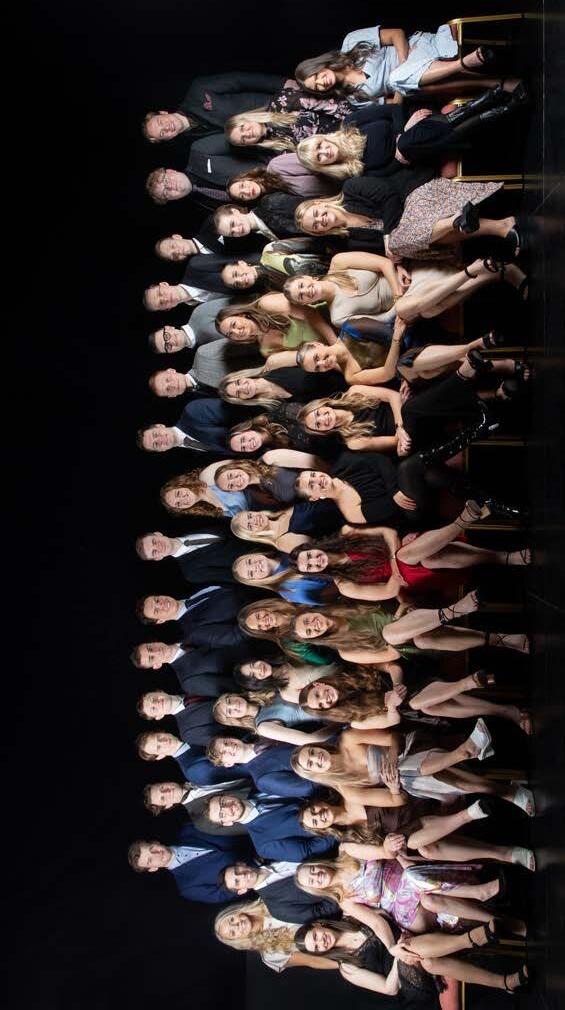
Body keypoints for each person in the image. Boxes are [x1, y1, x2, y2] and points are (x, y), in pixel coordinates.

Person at [287, 508, 532, 601]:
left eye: (310, 556)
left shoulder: (345, 534)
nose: (314, 561)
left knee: (417, 555)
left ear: (313, 547)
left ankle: (502, 557)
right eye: (310, 566)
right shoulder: (345, 586)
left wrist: (395, 556)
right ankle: (463, 522)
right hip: (407, 577)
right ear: (315, 573)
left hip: (409, 548)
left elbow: (387, 532)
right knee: (415, 558)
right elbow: (388, 592)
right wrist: (396, 563)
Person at [290, 725, 535, 816]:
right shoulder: (349, 791)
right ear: (315, 774)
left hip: (411, 747)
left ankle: (507, 791)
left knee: (405, 767)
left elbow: (394, 737)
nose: (316, 758)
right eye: (311, 764)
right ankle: (466, 752)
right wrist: (392, 786)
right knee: (408, 775)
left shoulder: (348, 739)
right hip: (413, 782)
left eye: (311, 752)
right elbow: (396, 801)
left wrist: (392, 756)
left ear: (315, 746)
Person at [295, 911, 529, 995]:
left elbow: (380, 918)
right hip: (406, 976)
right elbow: (389, 988)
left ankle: (504, 983)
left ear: (318, 926)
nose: (321, 942)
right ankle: (470, 940)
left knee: (428, 960)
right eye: (317, 948)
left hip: (410, 935)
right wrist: (398, 955)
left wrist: (398, 943)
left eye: (315, 937)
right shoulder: (347, 968)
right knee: (421, 958)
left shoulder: (350, 918)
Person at [298, 794, 536, 869]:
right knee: (422, 847)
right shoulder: (348, 844)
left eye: (315, 810)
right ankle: (502, 850)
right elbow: (384, 854)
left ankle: (503, 850)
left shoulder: (348, 795)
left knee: (418, 843)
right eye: (315, 821)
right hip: (407, 836)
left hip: (412, 804)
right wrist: (387, 847)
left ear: (319, 802)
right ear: (321, 830)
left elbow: (393, 795)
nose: (320, 815)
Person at [295, 852, 502, 934]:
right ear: (316, 889)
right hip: (401, 908)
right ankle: (479, 892)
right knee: (412, 876)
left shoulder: (346, 853)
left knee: (424, 891)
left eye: (312, 870)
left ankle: (495, 919)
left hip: (414, 876)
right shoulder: (344, 901)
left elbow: (384, 851)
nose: (316, 875)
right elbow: (376, 923)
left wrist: (404, 861)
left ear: (317, 863)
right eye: (312, 881)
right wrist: (393, 948)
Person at [294, 24, 506, 104]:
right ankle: (467, 66)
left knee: (399, 78)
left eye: (316, 76)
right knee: (401, 81)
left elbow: (397, 34)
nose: (321, 83)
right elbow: (394, 104)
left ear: (319, 66)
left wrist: (403, 63)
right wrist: (400, 79)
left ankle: (488, 80)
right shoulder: (353, 97)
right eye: (317, 87)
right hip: (414, 83)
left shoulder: (351, 41)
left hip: (417, 48)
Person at [288, 594, 530, 663]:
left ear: (310, 612)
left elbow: (392, 597)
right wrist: (398, 622)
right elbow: (391, 653)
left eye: (307, 621)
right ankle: (456, 611)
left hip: (413, 611)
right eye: (309, 632)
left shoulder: (345, 603)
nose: (313, 626)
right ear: (316, 638)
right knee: (416, 638)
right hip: (408, 643)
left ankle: (504, 640)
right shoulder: (346, 651)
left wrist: (402, 610)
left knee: (418, 634)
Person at [127, 822, 253, 904]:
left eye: (151, 849)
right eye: (150, 860)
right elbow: (224, 895)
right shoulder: (188, 888)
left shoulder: (189, 829)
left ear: (155, 842)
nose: (156, 854)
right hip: (256, 873)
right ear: (152, 868)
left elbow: (231, 827)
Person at [204, 791, 336, 862]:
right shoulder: (263, 845)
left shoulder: (260, 786)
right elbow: (309, 851)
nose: (227, 808)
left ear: (228, 795)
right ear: (227, 823)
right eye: (222, 814)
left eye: (223, 802)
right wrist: (337, 828)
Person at [142, 73, 286, 137]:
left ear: (163, 112)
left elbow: (240, 80)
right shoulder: (194, 145)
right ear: (167, 139)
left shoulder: (197, 90)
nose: (166, 128)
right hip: (274, 137)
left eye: (160, 122)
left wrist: (282, 83)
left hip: (277, 107)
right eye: (162, 133)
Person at [214, 897, 336, 971]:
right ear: (238, 940)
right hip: (335, 943)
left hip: (336, 911)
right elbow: (313, 961)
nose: (236, 925)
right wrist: (344, 964)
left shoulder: (268, 900)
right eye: (233, 932)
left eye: (231, 920)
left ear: (236, 912)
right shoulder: (270, 955)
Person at [136, 585, 265, 649]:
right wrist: (261, 618)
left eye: (157, 600)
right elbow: (235, 637)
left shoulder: (194, 592)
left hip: (267, 593)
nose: (161, 604)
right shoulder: (193, 632)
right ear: (160, 621)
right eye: (157, 610)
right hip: (268, 619)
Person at [215, 291, 337, 357]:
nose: (236, 332)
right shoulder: (267, 350)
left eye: (233, 324)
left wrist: (334, 343)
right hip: (333, 348)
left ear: (240, 314)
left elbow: (310, 313)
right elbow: (309, 357)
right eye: (230, 334)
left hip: (333, 318)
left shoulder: (266, 304)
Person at [221, 859, 340, 922]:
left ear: (241, 864)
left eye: (237, 871)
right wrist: (339, 888)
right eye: (237, 881)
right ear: (242, 890)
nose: (242, 875)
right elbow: (322, 912)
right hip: (344, 891)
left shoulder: (272, 855)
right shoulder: (276, 908)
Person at [206, 737, 320, 798]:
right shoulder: (262, 779)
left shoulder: (258, 733)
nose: (229, 747)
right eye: (223, 752)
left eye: (226, 742)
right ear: (228, 764)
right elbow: (308, 788)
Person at [212, 690, 332, 745]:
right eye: (230, 711)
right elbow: (308, 740)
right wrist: (338, 724)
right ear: (234, 719)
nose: (233, 705)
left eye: (229, 701)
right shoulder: (263, 727)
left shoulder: (264, 691)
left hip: (327, 693)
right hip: (329, 713)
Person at [137, 398, 249, 456]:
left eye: (156, 434)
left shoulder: (193, 411)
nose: (160, 440)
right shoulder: (189, 460)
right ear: (161, 451)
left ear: (160, 426)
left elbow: (242, 412)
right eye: (156, 444)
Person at [218, 362, 347, 410]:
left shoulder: (274, 364)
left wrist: (349, 375)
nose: (243, 388)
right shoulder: (274, 407)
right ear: (243, 400)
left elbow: (322, 360)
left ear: (242, 376)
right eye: (238, 393)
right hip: (347, 401)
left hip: (346, 374)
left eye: (238, 383)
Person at [232, 549, 337, 605]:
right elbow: (331, 596)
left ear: (254, 554)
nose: (254, 566)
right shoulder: (288, 591)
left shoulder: (283, 549)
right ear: (256, 581)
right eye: (251, 573)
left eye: (249, 561)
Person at [230, 503, 342, 554]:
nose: (254, 520)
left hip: (343, 506)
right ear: (252, 535)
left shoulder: (280, 513)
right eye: (250, 526)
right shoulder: (282, 542)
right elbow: (323, 547)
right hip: (346, 527)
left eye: (250, 516)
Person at [225, 107, 350, 153]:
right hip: (343, 148)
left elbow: (330, 104)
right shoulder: (277, 152)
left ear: (246, 118)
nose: (247, 133)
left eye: (242, 127)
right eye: (243, 139)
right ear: (248, 144)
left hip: (348, 121)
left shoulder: (281, 103)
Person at [228, 158, 339, 201]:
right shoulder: (274, 202)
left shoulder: (276, 166)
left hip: (340, 176)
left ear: (246, 178)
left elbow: (316, 162)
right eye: (242, 196)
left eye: (242, 186)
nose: (247, 191)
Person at [148, 298, 231, 354]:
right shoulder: (200, 356)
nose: (171, 341)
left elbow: (236, 304)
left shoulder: (200, 313)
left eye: (166, 336)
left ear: (169, 327)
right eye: (168, 346)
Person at [214, 197, 303, 242]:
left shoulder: (270, 204)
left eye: (232, 224)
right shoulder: (259, 240)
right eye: (232, 233)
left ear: (235, 211)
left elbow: (309, 206)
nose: (237, 230)